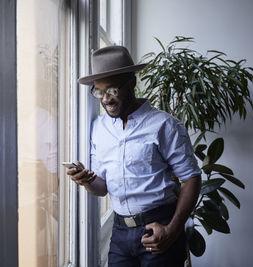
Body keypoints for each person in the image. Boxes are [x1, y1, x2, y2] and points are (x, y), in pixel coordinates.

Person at [67, 46, 202, 267]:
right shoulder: (98, 129)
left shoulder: (165, 125)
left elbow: (191, 178)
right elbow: (102, 189)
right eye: (99, 92)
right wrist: (87, 180)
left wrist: (173, 230)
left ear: (132, 83)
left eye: (112, 90)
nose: (106, 99)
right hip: (120, 235)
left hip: (158, 228)